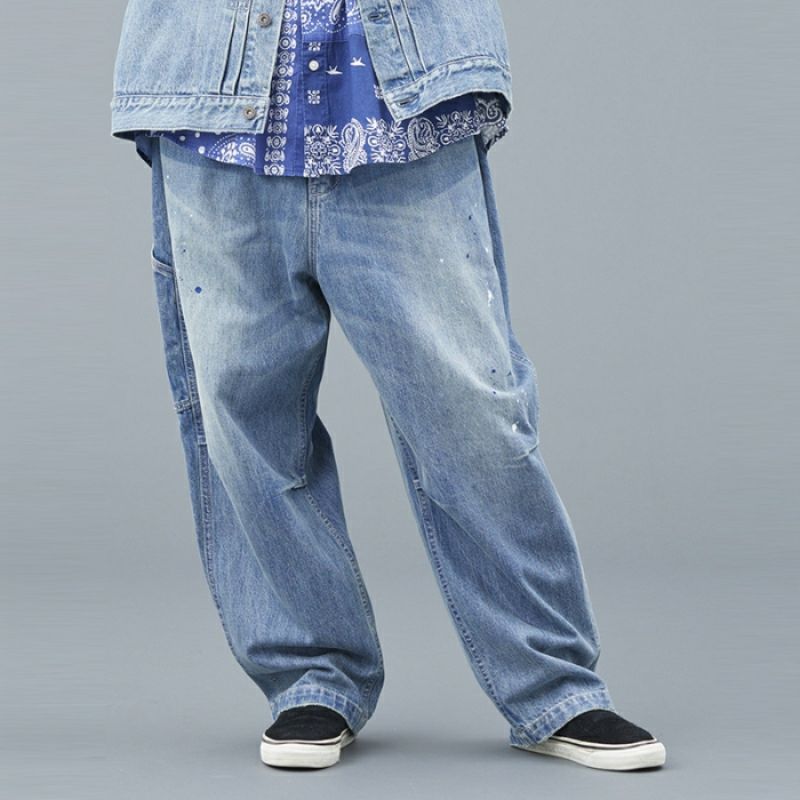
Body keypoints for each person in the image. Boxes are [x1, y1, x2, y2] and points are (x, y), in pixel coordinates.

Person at [110, 0, 666, 772]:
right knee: (243, 414)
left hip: (404, 101)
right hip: (215, 97)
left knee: (471, 409)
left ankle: (554, 685)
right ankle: (311, 676)